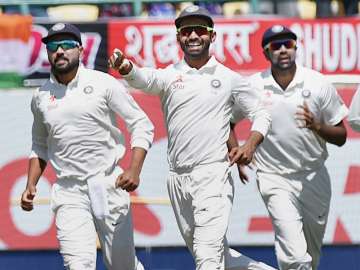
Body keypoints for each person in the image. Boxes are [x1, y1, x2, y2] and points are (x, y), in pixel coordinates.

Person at [109, 5, 276, 270]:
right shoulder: (170, 76)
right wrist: (126, 66)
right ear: (178, 38)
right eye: (187, 31)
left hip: (213, 176)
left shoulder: (229, 78)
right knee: (214, 255)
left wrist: (250, 144)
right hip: (177, 179)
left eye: (200, 30)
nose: (194, 35)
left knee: (207, 256)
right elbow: (144, 78)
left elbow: (262, 113)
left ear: (212, 36)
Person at [20, 23, 153, 270]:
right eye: (53, 46)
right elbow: (39, 145)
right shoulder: (40, 96)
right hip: (69, 191)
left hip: (109, 184)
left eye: (67, 45)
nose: (60, 51)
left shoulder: (103, 83)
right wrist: (31, 184)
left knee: (122, 266)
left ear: (80, 50)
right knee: (78, 265)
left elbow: (142, 124)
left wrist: (134, 170)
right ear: (47, 52)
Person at [232, 25, 348, 270]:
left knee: (310, 257)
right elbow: (229, 121)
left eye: (288, 44)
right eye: (275, 46)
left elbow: (341, 136)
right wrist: (237, 153)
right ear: (266, 53)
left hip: (313, 176)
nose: (283, 50)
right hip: (273, 178)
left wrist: (317, 126)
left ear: (296, 48)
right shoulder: (253, 86)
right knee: (294, 257)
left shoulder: (318, 83)